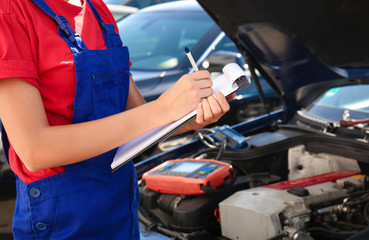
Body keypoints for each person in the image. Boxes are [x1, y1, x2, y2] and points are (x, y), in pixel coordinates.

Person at [0, 0, 234, 239]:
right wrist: (163, 108)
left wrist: (189, 120)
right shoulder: (10, 11)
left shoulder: (98, 10)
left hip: (120, 205)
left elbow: (140, 120)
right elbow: (35, 150)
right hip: (62, 217)